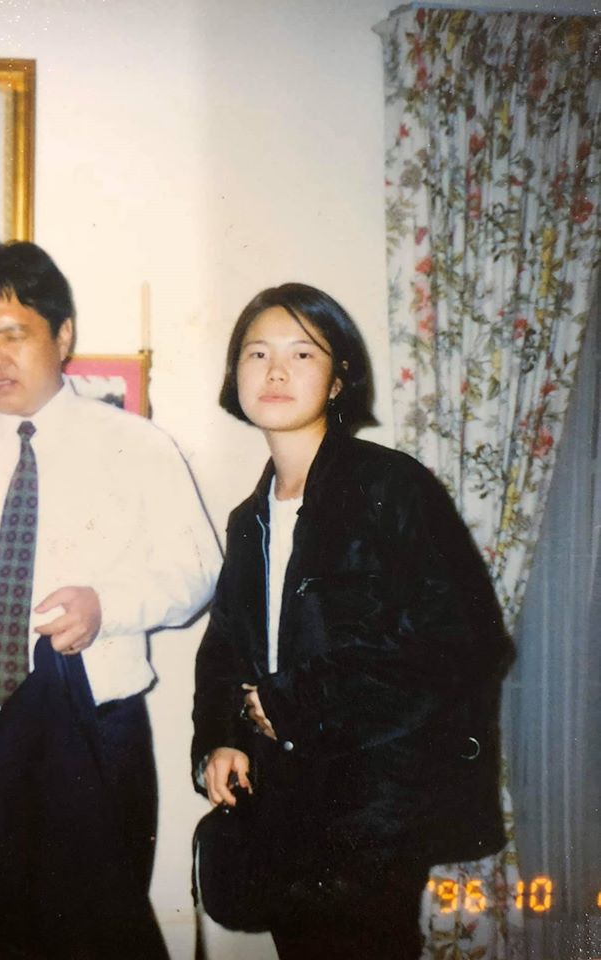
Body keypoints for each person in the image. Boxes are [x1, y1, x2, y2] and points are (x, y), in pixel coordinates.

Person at [0, 240, 221, 960]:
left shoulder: (137, 443)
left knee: (90, 936)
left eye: (15, 334)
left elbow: (199, 569)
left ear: (64, 335)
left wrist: (108, 606)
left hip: (91, 730)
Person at [191, 283, 514, 960]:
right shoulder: (250, 517)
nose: (276, 371)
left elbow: (463, 642)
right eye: (257, 353)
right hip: (281, 800)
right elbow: (226, 649)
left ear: (338, 380)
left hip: (372, 807)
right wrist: (222, 738)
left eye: (302, 353)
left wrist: (295, 700)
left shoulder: (391, 486)